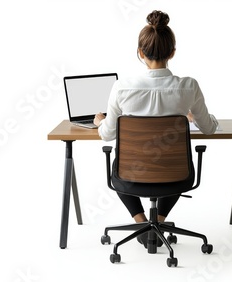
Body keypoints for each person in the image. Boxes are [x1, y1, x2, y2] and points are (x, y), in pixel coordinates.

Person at [94, 10, 218, 244]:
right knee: (173, 164)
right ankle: (156, 222)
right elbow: (209, 128)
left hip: (130, 176)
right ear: (172, 52)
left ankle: (143, 223)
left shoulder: (122, 88)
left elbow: (107, 135)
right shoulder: (189, 87)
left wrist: (100, 121)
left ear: (140, 53)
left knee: (119, 164)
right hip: (176, 176)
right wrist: (190, 116)